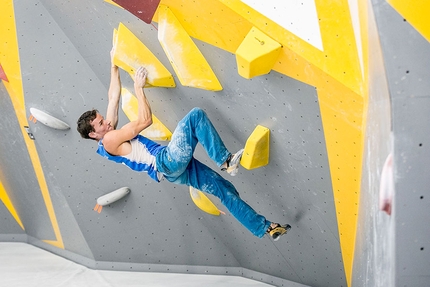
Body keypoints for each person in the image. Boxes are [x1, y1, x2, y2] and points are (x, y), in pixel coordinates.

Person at [76, 50, 290, 241]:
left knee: (225, 189)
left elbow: (113, 97)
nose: (108, 122)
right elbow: (144, 121)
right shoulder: (110, 139)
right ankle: (225, 160)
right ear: (94, 134)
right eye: (102, 123)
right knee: (195, 116)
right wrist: (139, 89)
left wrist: (114, 64)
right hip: (166, 161)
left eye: (103, 118)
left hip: (173, 172)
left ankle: (265, 228)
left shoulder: (108, 135)